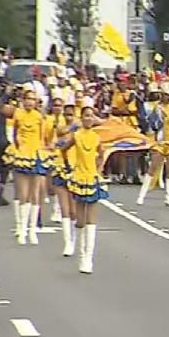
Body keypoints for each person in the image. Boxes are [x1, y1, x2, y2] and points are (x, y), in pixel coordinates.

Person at [61, 106, 107, 274]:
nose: (89, 119)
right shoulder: (77, 135)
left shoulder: (96, 137)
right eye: (86, 116)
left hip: (92, 177)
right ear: (81, 118)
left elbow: (102, 153)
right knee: (80, 220)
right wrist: (69, 167)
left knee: (92, 220)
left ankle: (88, 258)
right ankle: (80, 253)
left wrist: (99, 168)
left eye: (91, 116)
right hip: (79, 177)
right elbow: (64, 149)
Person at [8, 87, 49, 245]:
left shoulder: (39, 117)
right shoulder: (18, 114)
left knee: (35, 194)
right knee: (22, 194)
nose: (30, 102)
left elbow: (42, 137)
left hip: (36, 154)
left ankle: (32, 230)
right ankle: (21, 229)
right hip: (22, 154)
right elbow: (14, 134)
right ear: (23, 100)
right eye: (27, 99)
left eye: (33, 99)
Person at [136, 82, 169, 207]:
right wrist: (161, 118)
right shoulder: (157, 108)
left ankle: (168, 197)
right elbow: (154, 125)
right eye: (166, 95)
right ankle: (141, 195)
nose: (168, 98)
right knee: (153, 168)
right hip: (160, 142)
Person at [52, 103, 78, 257]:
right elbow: (60, 132)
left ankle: (73, 240)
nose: (68, 117)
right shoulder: (61, 128)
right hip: (61, 169)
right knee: (65, 209)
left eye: (71, 114)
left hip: (75, 171)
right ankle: (67, 242)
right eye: (66, 114)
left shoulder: (80, 131)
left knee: (74, 211)